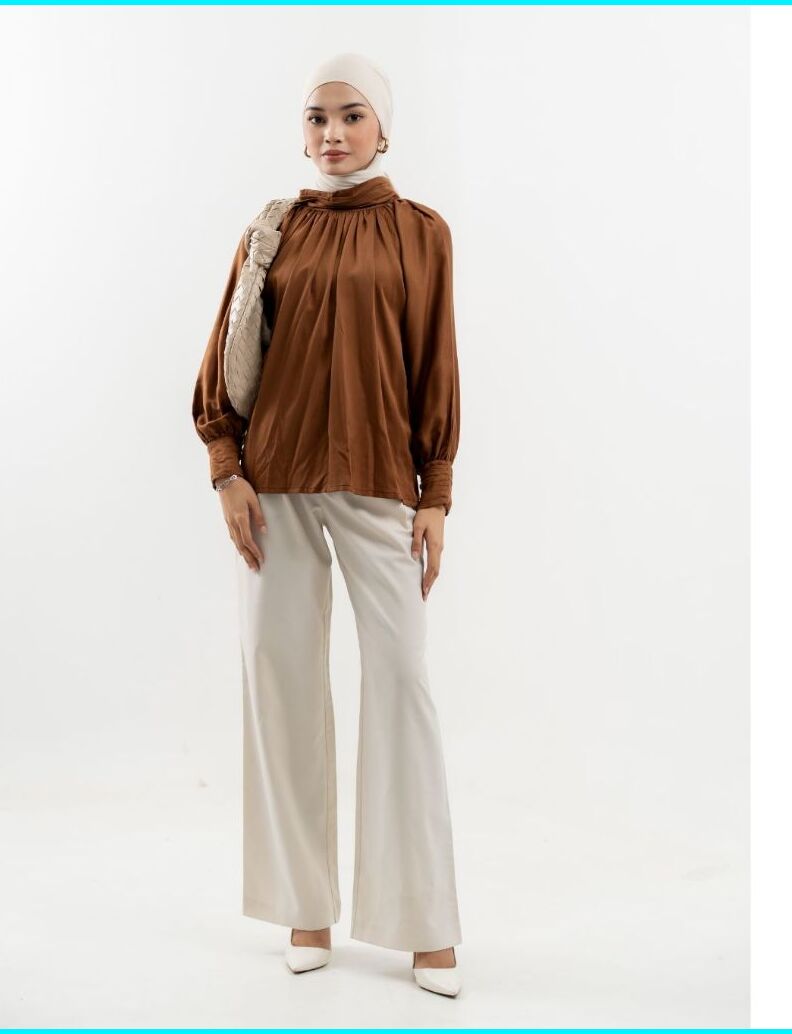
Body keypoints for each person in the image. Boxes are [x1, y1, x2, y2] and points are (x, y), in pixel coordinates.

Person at [192, 52, 463, 998]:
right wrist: (227, 471)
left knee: (401, 682)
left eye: (351, 115)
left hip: (382, 482)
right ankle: (303, 904)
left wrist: (436, 492)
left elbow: (435, 360)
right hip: (274, 488)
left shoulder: (421, 233)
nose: (333, 132)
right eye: (316, 117)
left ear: (383, 129)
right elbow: (223, 356)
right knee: (281, 680)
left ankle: (424, 921)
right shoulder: (271, 231)